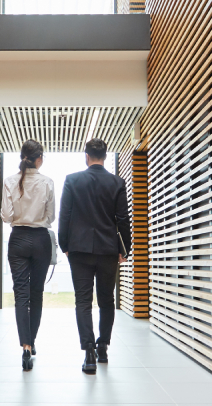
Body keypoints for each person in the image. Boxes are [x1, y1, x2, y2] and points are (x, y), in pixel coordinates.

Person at [58, 138, 131, 374]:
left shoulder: (72, 180)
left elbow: (65, 215)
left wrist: (64, 244)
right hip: (108, 249)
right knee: (107, 300)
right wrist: (124, 249)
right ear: (105, 156)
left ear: (86, 156)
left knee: (83, 301)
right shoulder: (117, 182)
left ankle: (88, 351)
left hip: (79, 250)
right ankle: (102, 347)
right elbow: (123, 220)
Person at [1, 140, 55, 371]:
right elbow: (51, 217)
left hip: (18, 240)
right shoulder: (47, 182)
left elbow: (5, 215)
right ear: (39, 158)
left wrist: (19, 219)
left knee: (21, 294)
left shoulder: (10, 181)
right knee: (37, 294)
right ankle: (32, 342)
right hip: (41, 240)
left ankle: (25, 346)